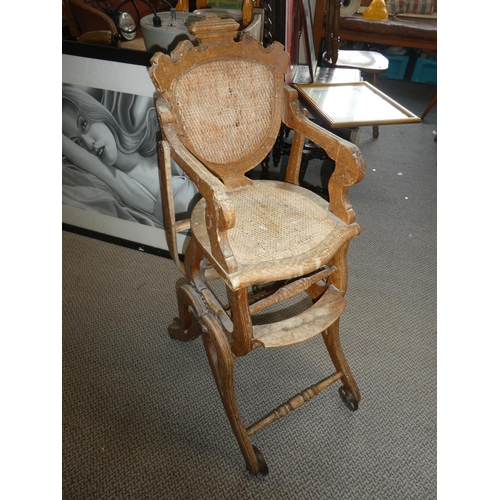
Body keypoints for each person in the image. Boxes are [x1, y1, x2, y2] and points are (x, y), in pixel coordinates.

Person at [62, 84, 198, 228]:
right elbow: (92, 165)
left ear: (95, 112)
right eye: (77, 142)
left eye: (84, 125)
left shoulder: (156, 135)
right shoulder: (119, 183)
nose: (89, 143)